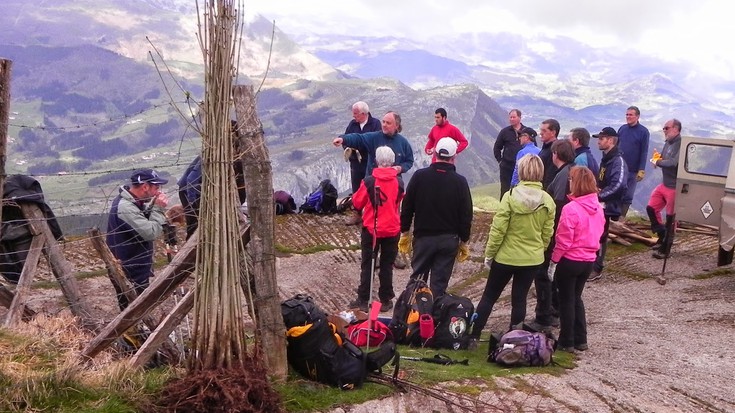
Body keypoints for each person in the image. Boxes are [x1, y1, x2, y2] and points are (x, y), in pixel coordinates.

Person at [468, 154, 555, 347]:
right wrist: (539, 250)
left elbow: (498, 230)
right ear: (540, 172)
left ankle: (474, 336)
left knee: (489, 296)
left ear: (522, 171)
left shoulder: (509, 197)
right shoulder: (548, 201)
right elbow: (547, 233)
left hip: (505, 257)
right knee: (519, 299)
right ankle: (514, 340)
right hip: (531, 258)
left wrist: (490, 254)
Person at [399, 137, 473, 298]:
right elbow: (466, 214)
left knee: (417, 281)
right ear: (454, 157)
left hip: (423, 239)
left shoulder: (419, 176)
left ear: (436, 154)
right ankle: (433, 319)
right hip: (448, 241)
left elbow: (407, 206)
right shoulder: (460, 182)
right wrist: (464, 241)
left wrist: (404, 232)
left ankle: (413, 316)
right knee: (438, 286)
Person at [548, 166, 606, 352]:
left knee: (566, 300)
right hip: (588, 260)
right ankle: (581, 339)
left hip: (570, 260)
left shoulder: (570, 209)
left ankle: (566, 341)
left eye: (571, 180)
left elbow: (563, 240)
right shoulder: (598, 208)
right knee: (576, 298)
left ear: (576, 183)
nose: (569, 182)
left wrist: (554, 261)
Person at [349, 146, 404, 312]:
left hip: (372, 229)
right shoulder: (399, 182)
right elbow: (398, 200)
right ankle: (386, 300)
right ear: (392, 162)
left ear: (376, 162)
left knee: (368, 265)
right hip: (392, 229)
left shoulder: (369, 181)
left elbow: (357, 203)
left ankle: (363, 299)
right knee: (387, 265)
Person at [529, 139, 576, 332]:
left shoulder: (563, 175)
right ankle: (555, 310)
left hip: (555, 233)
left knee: (543, 275)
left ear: (556, 154)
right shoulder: (571, 171)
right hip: (565, 233)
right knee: (553, 275)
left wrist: (548, 234)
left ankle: (544, 317)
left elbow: (557, 207)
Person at [107, 169, 169, 309]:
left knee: (134, 306)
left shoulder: (132, 202)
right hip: (130, 268)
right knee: (135, 308)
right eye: (156, 187)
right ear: (145, 187)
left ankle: (135, 328)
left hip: (131, 264)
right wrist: (158, 209)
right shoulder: (126, 207)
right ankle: (133, 329)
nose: (158, 191)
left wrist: (153, 206)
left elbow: (141, 217)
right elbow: (150, 232)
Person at [178, 121, 247, 239]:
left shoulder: (231, 156)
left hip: (200, 189)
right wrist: (195, 207)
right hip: (188, 190)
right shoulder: (212, 155)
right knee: (195, 226)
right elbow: (191, 181)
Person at [590, 127, 628, 281]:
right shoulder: (606, 158)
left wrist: (599, 196)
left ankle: (597, 269)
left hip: (606, 206)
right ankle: (591, 265)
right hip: (600, 204)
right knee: (596, 234)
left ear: (611, 140)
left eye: (602, 138)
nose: (598, 141)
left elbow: (619, 185)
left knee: (601, 236)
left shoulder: (617, 161)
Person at [332, 111, 414, 178]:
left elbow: (409, 161)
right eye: (383, 122)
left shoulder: (403, 143)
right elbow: (358, 138)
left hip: (393, 184)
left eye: (388, 123)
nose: (384, 125)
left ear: (396, 126)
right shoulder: (374, 137)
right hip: (372, 184)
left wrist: (401, 168)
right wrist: (343, 139)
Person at [647, 119, 682, 259]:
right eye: (664, 128)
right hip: (664, 184)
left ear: (676, 129)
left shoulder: (681, 144)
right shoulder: (668, 142)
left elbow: (673, 163)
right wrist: (657, 158)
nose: (664, 130)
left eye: (666, 128)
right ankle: (662, 235)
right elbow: (663, 159)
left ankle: (665, 249)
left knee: (670, 219)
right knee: (651, 208)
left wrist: (658, 162)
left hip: (674, 187)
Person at [343, 101, 382, 225]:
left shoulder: (375, 124)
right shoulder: (352, 124)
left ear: (364, 114)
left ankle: (373, 214)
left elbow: (377, 141)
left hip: (369, 162)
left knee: (371, 187)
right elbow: (346, 138)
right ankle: (357, 213)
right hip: (355, 162)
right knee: (356, 188)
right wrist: (347, 148)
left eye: (356, 114)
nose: (353, 116)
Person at [617, 106, 650, 219]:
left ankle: (621, 218)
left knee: (628, 195)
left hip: (633, 170)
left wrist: (641, 169)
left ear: (637, 116)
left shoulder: (643, 132)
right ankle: (613, 217)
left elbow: (644, 151)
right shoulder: (622, 129)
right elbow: (616, 146)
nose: (628, 117)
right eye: (627, 114)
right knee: (617, 193)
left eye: (631, 115)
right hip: (620, 168)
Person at [493, 109, 526, 199]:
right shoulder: (505, 132)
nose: (511, 119)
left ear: (519, 118)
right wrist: (500, 161)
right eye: (510, 117)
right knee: (505, 190)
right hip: (507, 167)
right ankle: (503, 209)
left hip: (522, 168)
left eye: (513, 117)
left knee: (520, 190)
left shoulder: (526, 132)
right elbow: (497, 147)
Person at [538, 119, 561, 189]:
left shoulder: (555, 150)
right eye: (541, 130)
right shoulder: (545, 148)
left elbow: (550, 175)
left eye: (544, 131)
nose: (541, 133)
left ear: (553, 133)